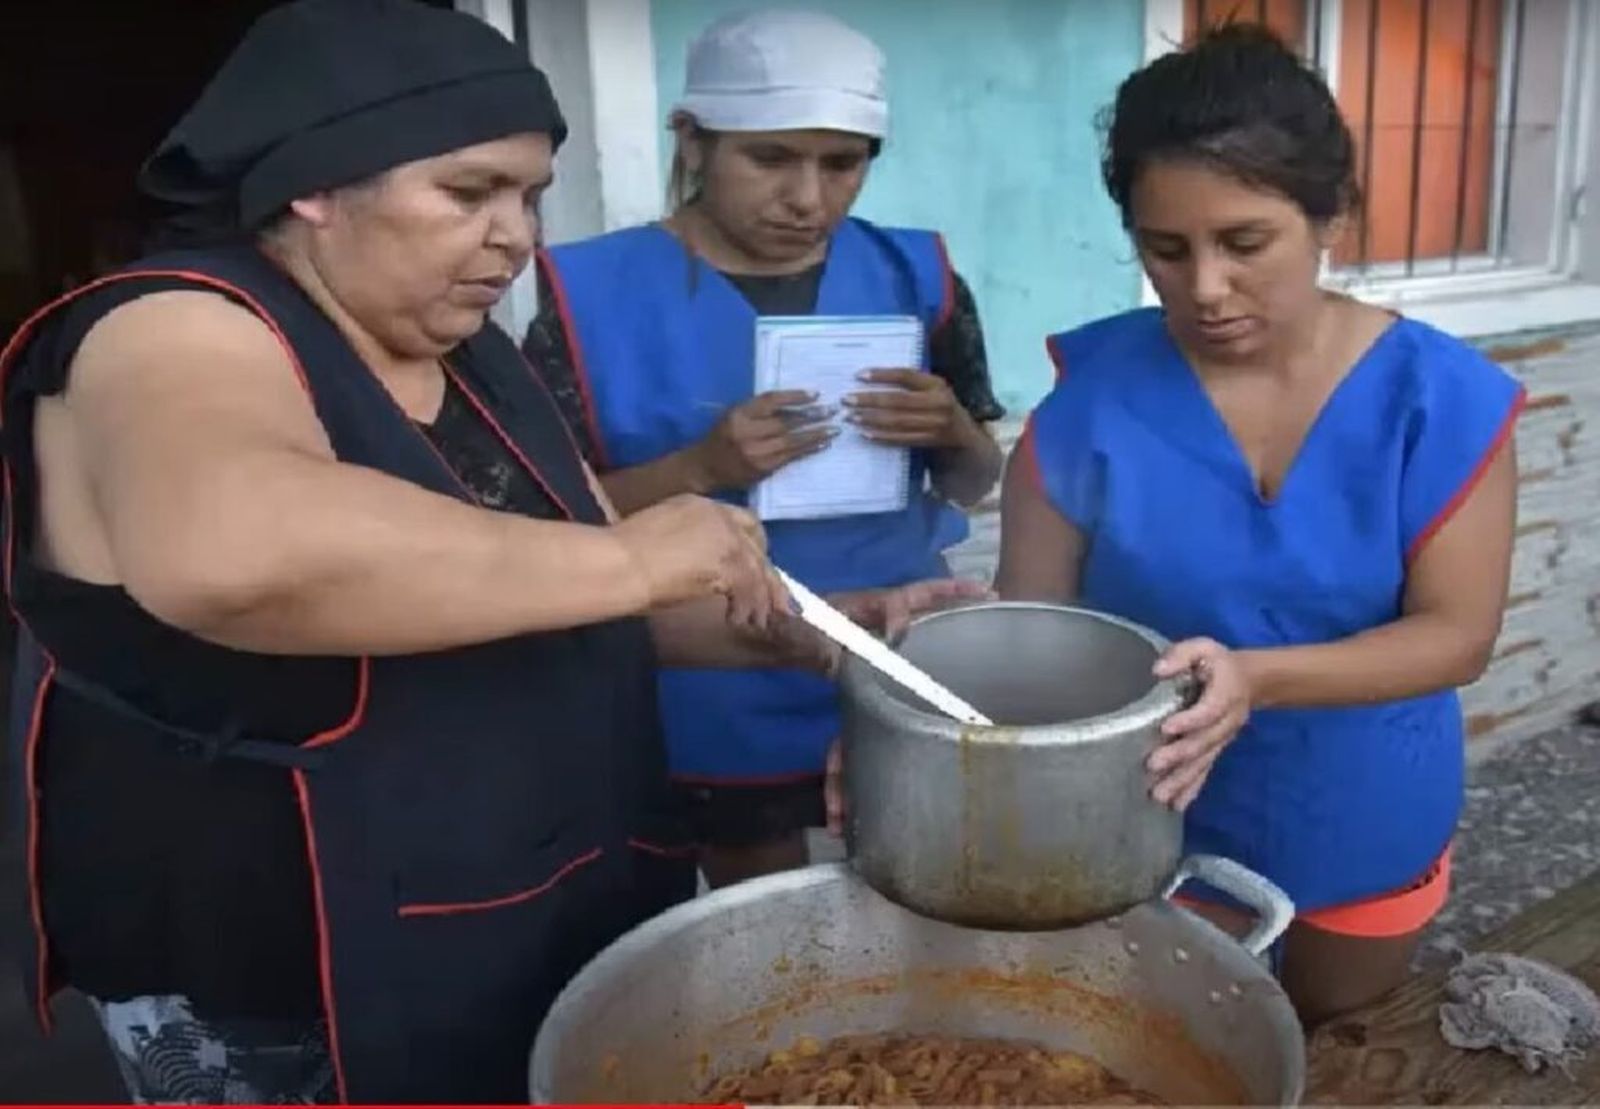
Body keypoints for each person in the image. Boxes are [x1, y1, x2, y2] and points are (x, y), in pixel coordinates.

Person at [0, 1, 973, 1102]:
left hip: (522, 905)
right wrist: (640, 552)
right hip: (287, 956)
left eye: (529, 197)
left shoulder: (470, 358)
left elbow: (549, 589)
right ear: (312, 186)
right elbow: (236, 554)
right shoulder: (175, 323)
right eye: (468, 193)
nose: (515, 236)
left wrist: (832, 634)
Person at [997, 24, 1523, 1027]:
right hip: (1149, 823)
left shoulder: (1438, 402)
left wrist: (1257, 676)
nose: (1204, 288)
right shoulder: (1089, 407)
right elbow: (1030, 636)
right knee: (1170, 1046)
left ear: (1332, 216)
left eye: (1244, 243)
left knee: (1339, 1042)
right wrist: (946, 652)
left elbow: (1457, 635)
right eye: (1165, 249)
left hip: (1365, 806)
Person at [527, 8, 1005, 888]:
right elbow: (544, 528)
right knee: (761, 905)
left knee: (915, 881)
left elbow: (976, 483)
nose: (808, 199)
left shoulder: (916, 279)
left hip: (892, 652)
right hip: (707, 668)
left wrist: (954, 431)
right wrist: (700, 470)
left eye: (842, 164)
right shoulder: (591, 299)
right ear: (692, 140)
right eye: (771, 158)